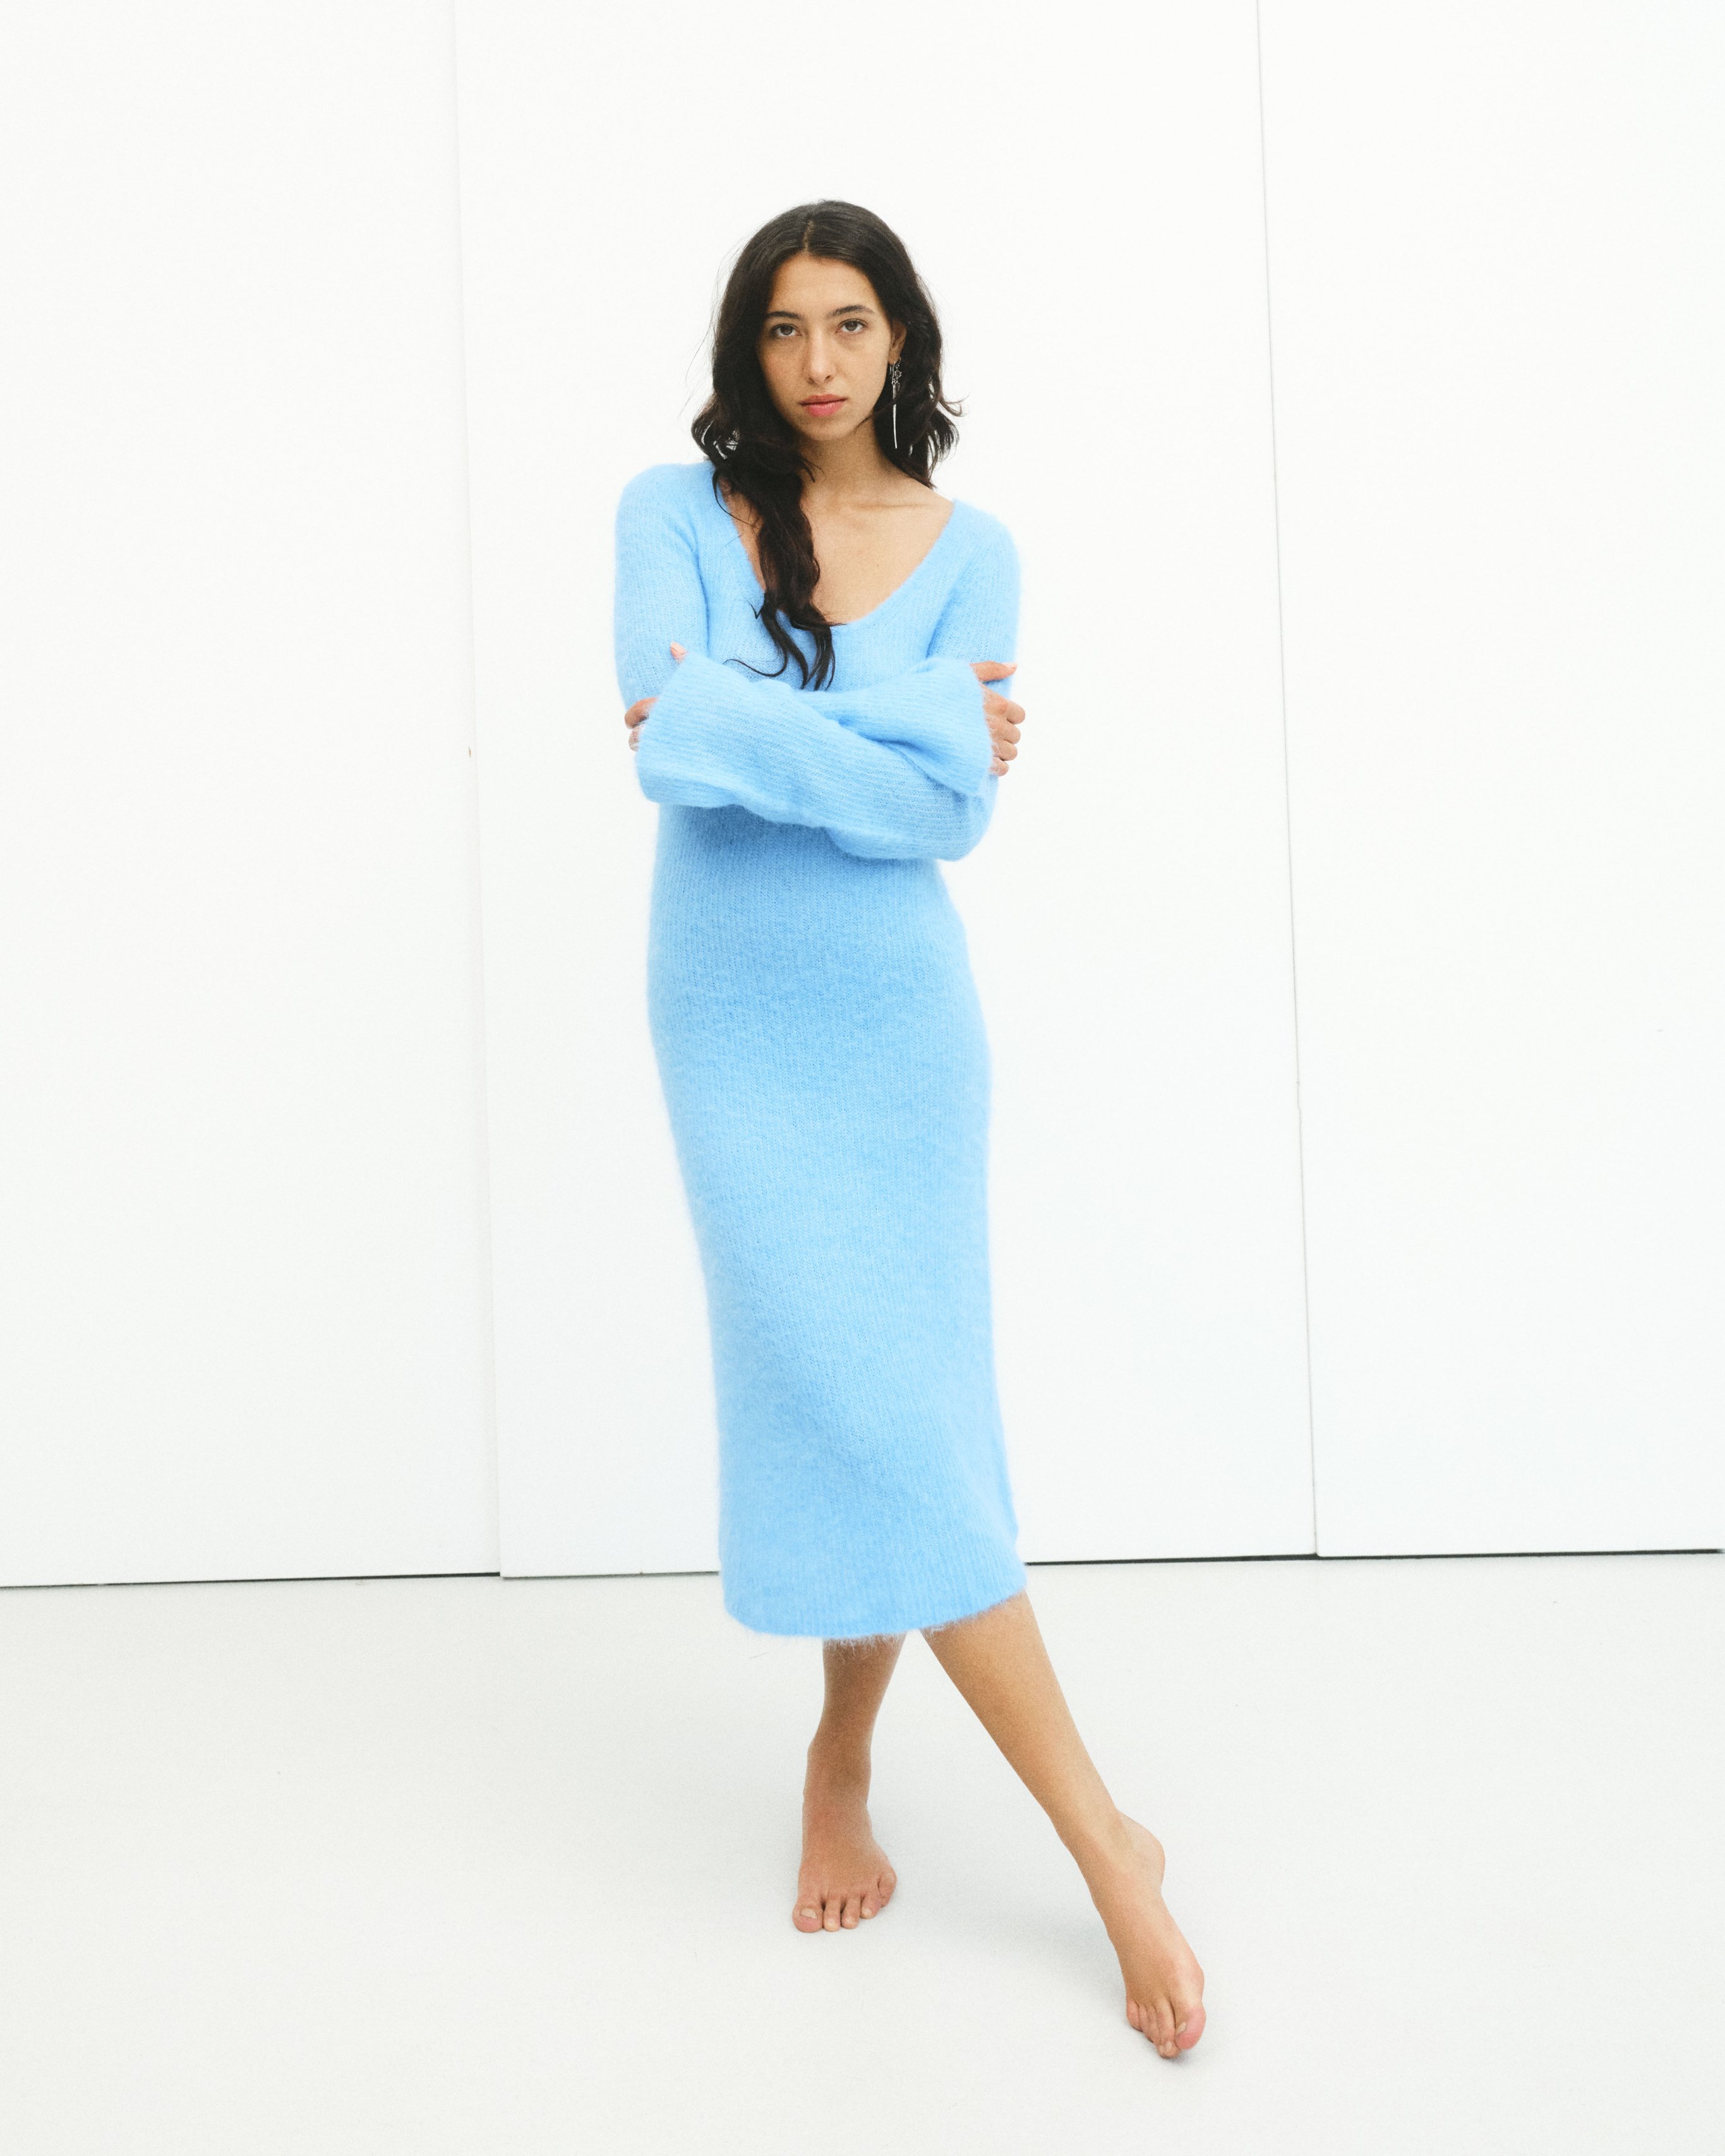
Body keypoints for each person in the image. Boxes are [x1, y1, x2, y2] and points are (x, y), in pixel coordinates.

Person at [613, 200, 1205, 2058]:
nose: (817, 361)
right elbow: (665, 741)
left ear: (899, 341)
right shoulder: (669, 512)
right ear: (749, 345)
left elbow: (945, 819)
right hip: (729, 1018)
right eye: (786, 326)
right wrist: (911, 719)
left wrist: (774, 728)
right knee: (846, 1401)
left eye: (850, 323)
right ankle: (1095, 1839)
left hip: (894, 1027)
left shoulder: (975, 548)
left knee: (899, 1410)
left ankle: (875, 1767)